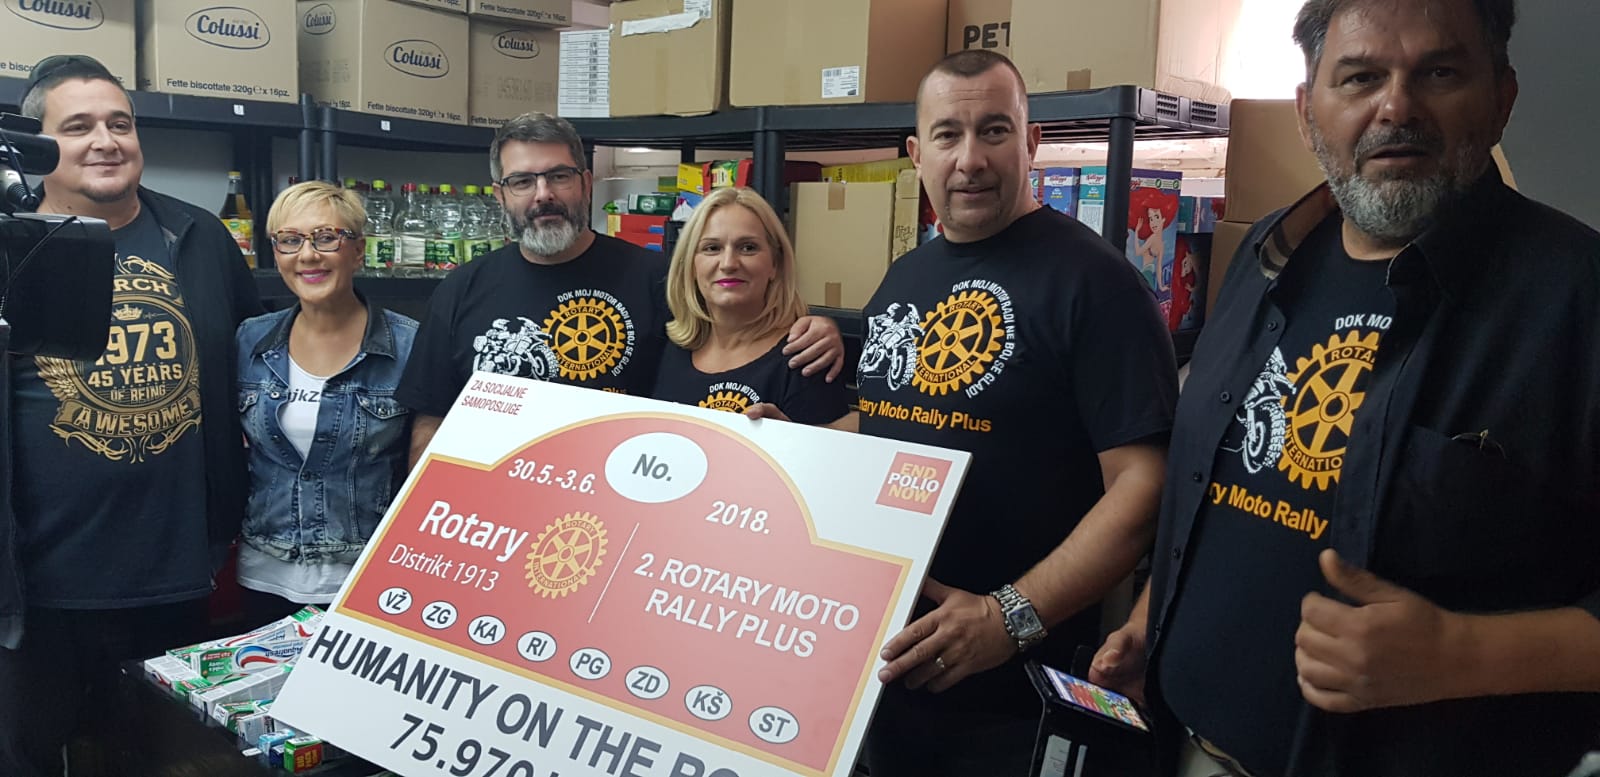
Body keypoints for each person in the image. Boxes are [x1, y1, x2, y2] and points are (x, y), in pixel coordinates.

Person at [1090, 1, 1600, 775]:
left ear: (1502, 98)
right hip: (1185, 746)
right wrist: (1151, 615)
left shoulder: (1576, 299)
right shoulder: (1268, 257)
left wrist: (1464, 651)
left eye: (1439, 72)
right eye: (1360, 77)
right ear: (1307, 112)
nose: (1396, 107)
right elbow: (1218, 486)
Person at [859, 50, 1178, 775]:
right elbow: (892, 416)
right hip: (888, 676)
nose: (970, 158)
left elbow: (1145, 484)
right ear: (916, 153)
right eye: (947, 134)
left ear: (1032, 143)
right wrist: (794, 442)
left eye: (994, 131)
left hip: (1013, 702)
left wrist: (1009, 616)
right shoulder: (906, 275)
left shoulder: (1095, 283)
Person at [1, 55, 261, 776]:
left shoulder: (199, 237)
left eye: (120, 123)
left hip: (174, 574)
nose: (105, 141)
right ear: (38, 146)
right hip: (35, 593)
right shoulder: (6, 243)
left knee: (166, 760)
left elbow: (254, 363)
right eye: (78, 126)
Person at [396, 112, 845, 465]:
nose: (543, 194)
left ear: (586, 183)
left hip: (623, 511)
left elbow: (738, 331)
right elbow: (431, 419)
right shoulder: (460, 290)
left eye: (559, 176)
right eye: (522, 181)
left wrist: (815, 327)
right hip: (494, 514)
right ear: (500, 195)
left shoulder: (659, 279)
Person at [234, 182, 418, 624]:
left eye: (326, 237)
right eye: (290, 240)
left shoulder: (410, 345)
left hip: (370, 578)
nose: (308, 255)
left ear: (358, 250)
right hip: (263, 576)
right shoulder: (249, 339)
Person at [652, 187, 850, 428]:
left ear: (775, 264)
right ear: (691, 266)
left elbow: (834, 448)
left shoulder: (806, 356)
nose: (728, 264)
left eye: (748, 248)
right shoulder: (671, 347)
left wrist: (794, 438)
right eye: (712, 248)